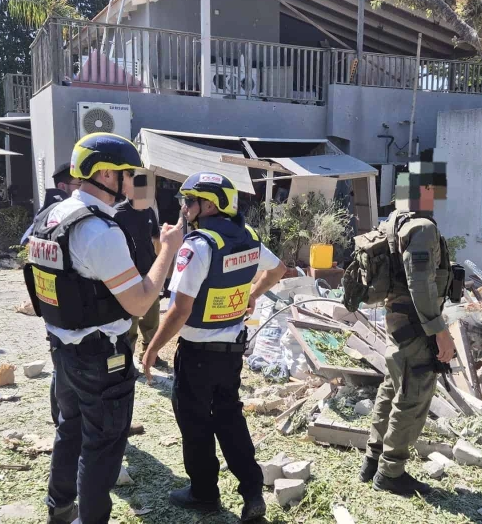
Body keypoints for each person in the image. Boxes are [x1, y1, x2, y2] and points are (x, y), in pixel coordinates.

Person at [23, 132, 184, 524]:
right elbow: (142, 301)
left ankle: (59, 508)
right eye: (127, 174)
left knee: (70, 429)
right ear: (106, 175)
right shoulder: (99, 232)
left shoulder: (51, 217)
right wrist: (168, 250)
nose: (133, 182)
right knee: (103, 446)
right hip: (100, 357)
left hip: (63, 348)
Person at [142, 172, 288, 522]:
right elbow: (279, 269)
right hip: (232, 352)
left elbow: (180, 309)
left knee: (195, 425)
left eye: (189, 201)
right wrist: (252, 294)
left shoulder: (198, 246)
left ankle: (204, 493)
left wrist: (151, 349)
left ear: (210, 204)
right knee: (230, 419)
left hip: (196, 355)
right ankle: (252, 491)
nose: (184, 207)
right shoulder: (248, 237)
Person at [359, 158, 456, 497]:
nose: (436, 196)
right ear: (424, 192)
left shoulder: (393, 222)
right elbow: (421, 284)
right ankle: (391, 472)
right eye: (434, 189)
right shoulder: (421, 228)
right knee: (414, 393)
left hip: (396, 316)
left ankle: (373, 460)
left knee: (392, 385)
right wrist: (439, 330)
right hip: (415, 321)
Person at [111, 166, 166, 369]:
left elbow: (155, 239)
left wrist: (160, 265)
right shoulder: (118, 214)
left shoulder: (149, 212)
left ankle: (150, 352)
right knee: (130, 320)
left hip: (149, 273)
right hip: (129, 275)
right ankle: (128, 358)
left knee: (152, 318)